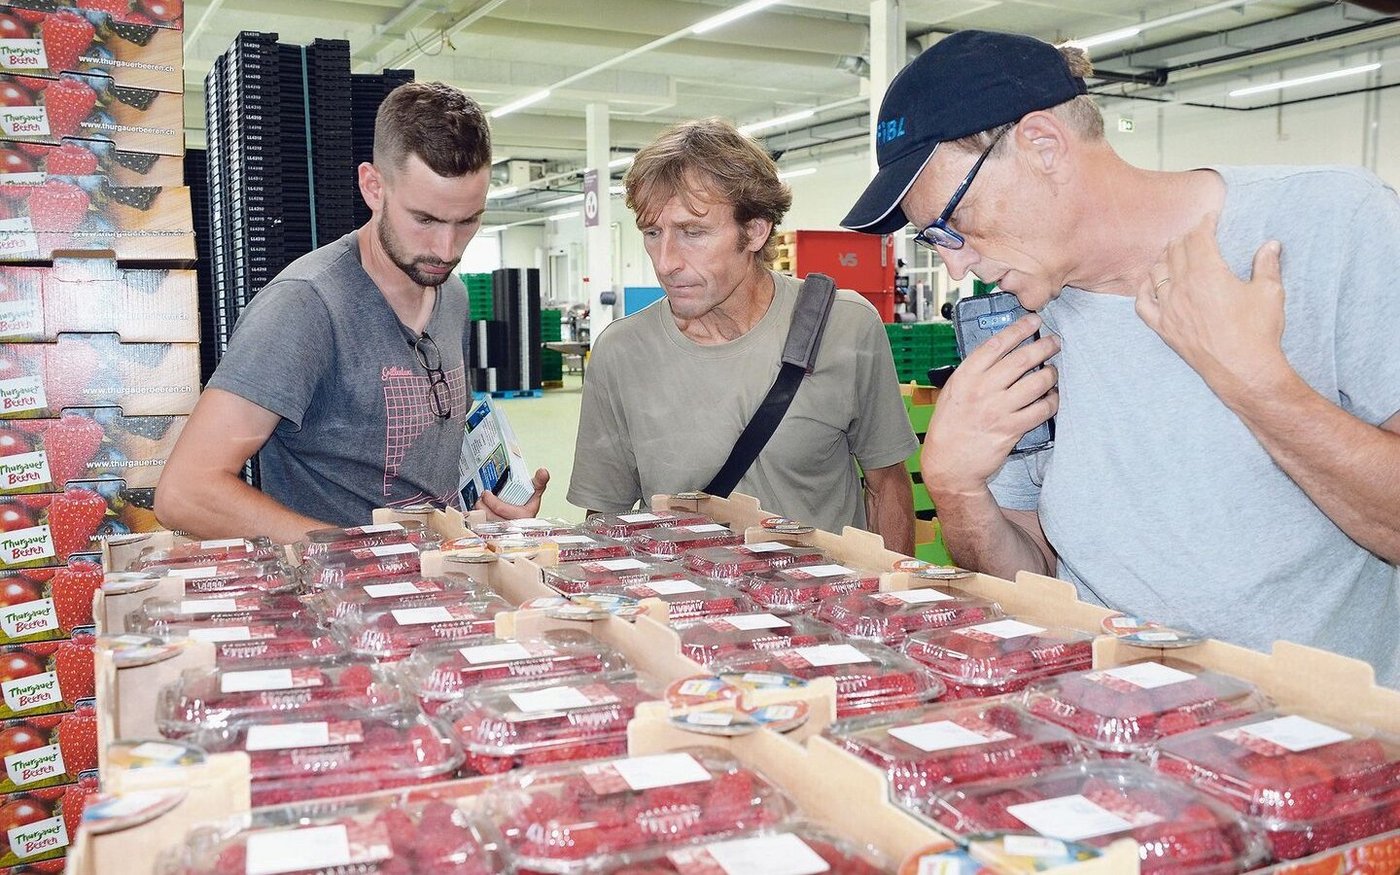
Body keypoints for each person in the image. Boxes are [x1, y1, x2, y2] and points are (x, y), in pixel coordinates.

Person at [842, 29, 1400, 686]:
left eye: (950, 227)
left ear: (1044, 147)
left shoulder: (1330, 223)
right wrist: (957, 490)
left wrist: (1257, 384)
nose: (957, 267)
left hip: (1316, 750)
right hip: (1109, 735)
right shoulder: (1024, 323)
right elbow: (1034, 582)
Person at [156, 82, 547, 541]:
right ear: (373, 187)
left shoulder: (452, 294)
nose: (446, 249)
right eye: (425, 219)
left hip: (432, 584)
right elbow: (185, 492)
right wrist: (357, 554)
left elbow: (428, 456)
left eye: (468, 221)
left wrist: (486, 507)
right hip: (335, 599)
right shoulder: (305, 306)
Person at [568, 118, 918, 553]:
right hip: (693, 611)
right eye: (653, 233)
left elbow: (887, 486)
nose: (665, 261)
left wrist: (895, 606)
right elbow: (606, 522)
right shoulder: (620, 353)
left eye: (693, 233)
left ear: (755, 230)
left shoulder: (843, 326)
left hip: (823, 609)